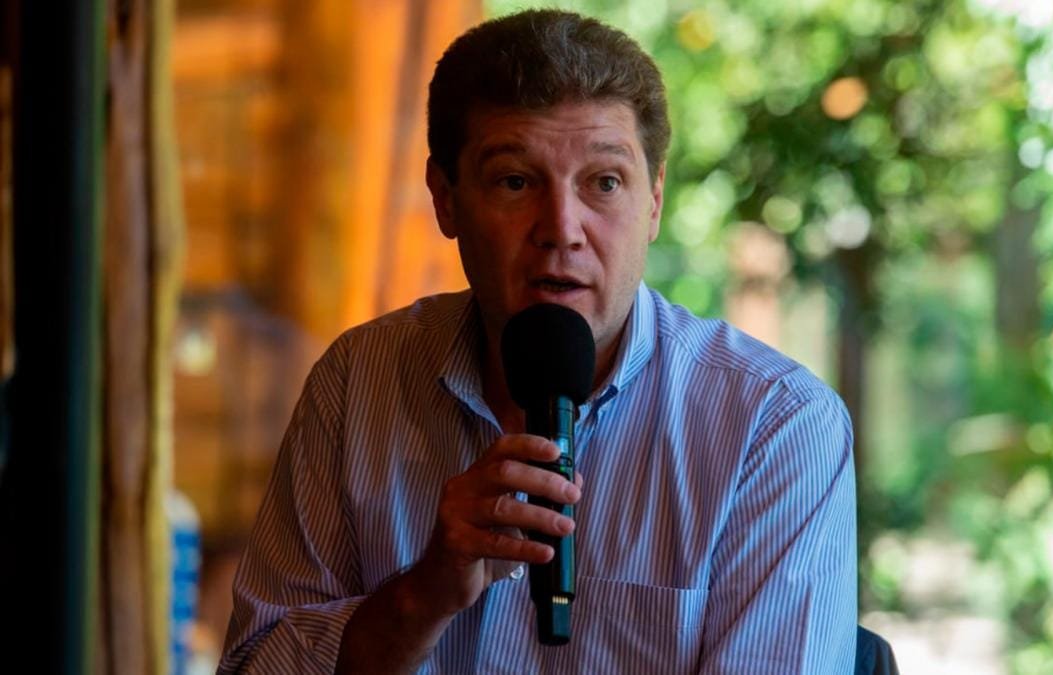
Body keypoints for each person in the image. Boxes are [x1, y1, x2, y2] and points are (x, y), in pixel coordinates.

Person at [219, 9, 857, 674]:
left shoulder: (774, 425)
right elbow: (253, 665)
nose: (561, 229)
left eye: (604, 183)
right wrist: (421, 597)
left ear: (654, 201)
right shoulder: (359, 382)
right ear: (445, 199)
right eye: (515, 181)